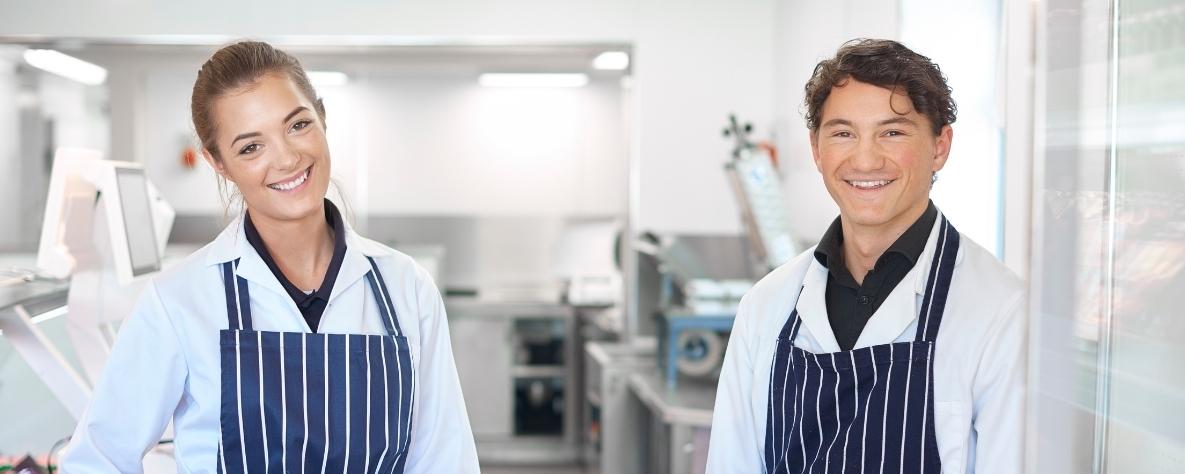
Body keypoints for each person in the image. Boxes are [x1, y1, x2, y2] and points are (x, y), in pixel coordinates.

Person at [61, 41, 479, 473]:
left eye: (298, 125)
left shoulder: (405, 288)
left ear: (322, 117)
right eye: (250, 147)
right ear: (217, 162)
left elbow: (446, 461)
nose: (286, 158)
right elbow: (97, 459)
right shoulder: (179, 301)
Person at [706, 39, 1025, 473]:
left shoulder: (1002, 311)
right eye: (843, 133)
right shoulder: (767, 306)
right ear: (817, 150)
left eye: (892, 132)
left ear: (940, 146)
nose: (866, 159)